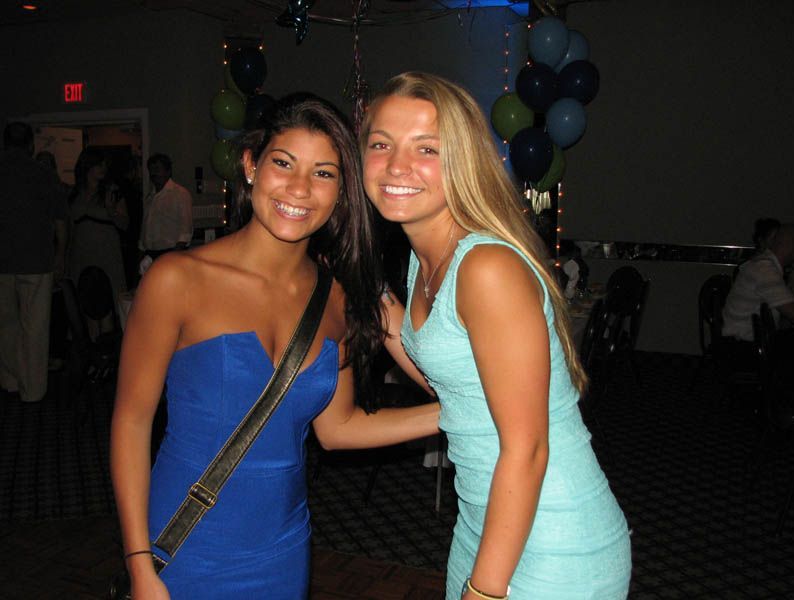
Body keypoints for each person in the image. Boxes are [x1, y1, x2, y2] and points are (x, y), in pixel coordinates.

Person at [110, 94, 439, 599]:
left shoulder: (337, 297)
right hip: (185, 548)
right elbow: (131, 422)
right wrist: (138, 565)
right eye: (283, 163)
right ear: (250, 165)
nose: (300, 189)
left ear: (342, 192)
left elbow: (339, 428)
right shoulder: (178, 280)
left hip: (283, 549)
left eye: (324, 173)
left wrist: (453, 414)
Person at [361, 72, 631, 599]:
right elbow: (456, 387)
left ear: (462, 160)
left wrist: (484, 592)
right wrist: (363, 285)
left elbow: (527, 448)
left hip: (556, 538)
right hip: (487, 524)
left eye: (427, 149)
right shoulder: (424, 261)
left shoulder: (484, 265)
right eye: (380, 144)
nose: (397, 165)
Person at [0, 122, 68, 402]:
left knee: (6, 327)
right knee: (35, 328)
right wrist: (61, 254)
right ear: (31, 145)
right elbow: (60, 221)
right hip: (37, 260)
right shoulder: (43, 174)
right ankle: (33, 389)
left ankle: (10, 381)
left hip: (3, 261)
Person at [722, 223, 794, 341]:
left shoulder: (762, 265)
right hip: (742, 345)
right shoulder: (765, 270)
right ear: (791, 247)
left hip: (741, 340)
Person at [68, 147, 129, 296]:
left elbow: (125, 224)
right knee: (84, 297)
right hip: (81, 254)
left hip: (106, 252)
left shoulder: (112, 191)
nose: (103, 168)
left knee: (108, 296)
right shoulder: (74, 193)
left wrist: (111, 210)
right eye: (99, 164)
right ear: (87, 165)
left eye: (104, 164)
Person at [139, 153, 193, 266]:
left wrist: (174, 255)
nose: (154, 173)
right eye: (151, 170)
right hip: (149, 254)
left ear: (168, 171)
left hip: (170, 252)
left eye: (157, 169)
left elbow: (185, 229)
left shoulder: (180, 194)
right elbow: (146, 227)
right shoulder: (150, 197)